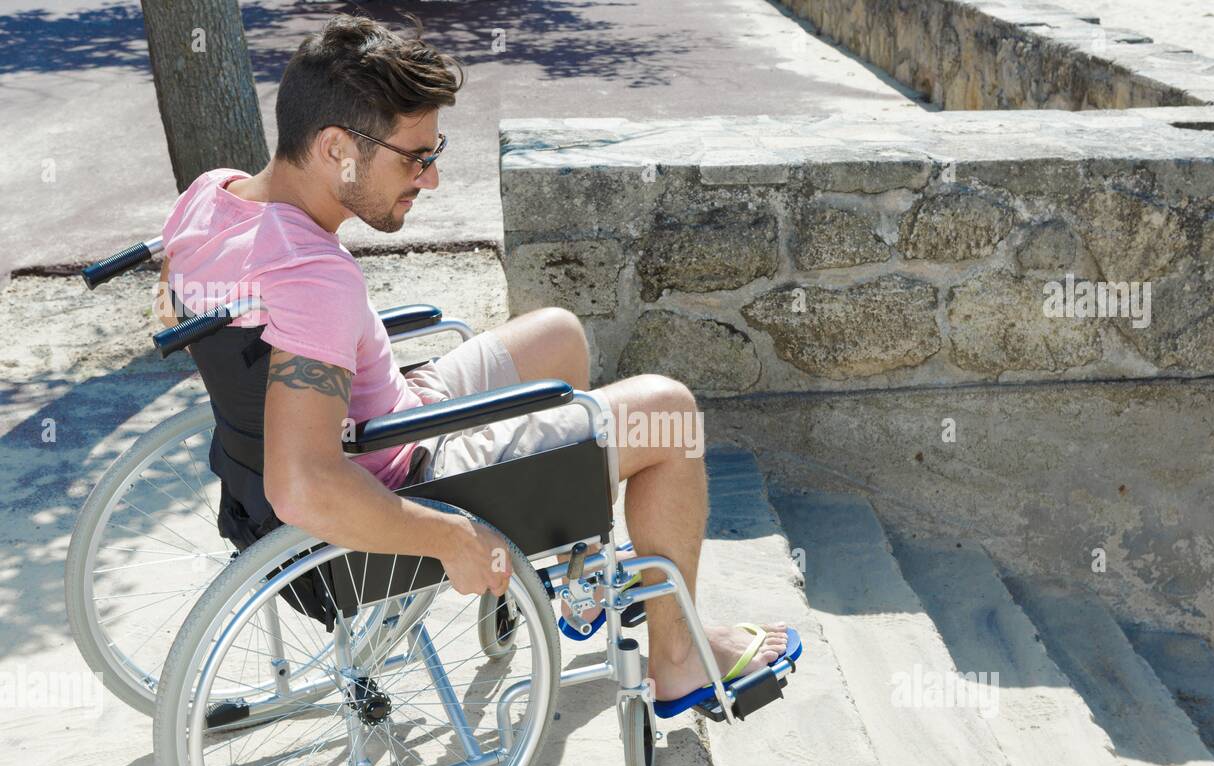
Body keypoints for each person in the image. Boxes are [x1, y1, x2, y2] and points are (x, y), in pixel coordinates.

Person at [158, 14, 788, 704]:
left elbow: (174, 297)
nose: (429, 180)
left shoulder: (209, 198)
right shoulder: (312, 278)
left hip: (387, 418)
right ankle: (677, 658)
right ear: (336, 147)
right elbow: (303, 485)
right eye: (414, 157)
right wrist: (453, 538)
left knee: (557, 335)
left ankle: (571, 563)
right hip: (408, 480)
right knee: (668, 413)